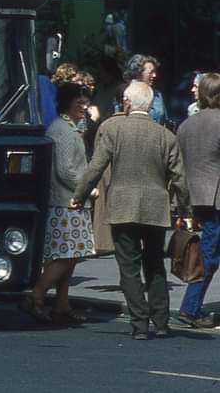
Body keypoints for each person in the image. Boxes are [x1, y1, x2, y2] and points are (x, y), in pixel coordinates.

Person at [70, 80, 190, 340]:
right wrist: (185, 211)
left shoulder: (113, 130)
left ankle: (139, 324)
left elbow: (95, 167)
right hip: (155, 207)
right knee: (155, 265)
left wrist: (79, 196)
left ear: (127, 103)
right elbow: (179, 178)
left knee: (129, 266)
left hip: (123, 205)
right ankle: (161, 322)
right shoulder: (165, 136)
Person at [21, 82, 96, 324]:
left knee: (71, 256)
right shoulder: (62, 130)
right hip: (66, 203)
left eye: (85, 102)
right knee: (65, 255)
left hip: (71, 203)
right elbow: (65, 171)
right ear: (67, 103)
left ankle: (62, 305)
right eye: (79, 102)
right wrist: (87, 188)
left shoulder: (68, 127)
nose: (84, 107)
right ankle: (36, 294)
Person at [174, 71, 220, 328]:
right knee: (209, 253)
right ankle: (190, 308)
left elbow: (177, 164)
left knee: (211, 250)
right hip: (215, 198)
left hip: (195, 196)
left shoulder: (186, 125)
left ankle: (193, 306)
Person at [123, 54, 166, 124]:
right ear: (138, 73)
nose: (154, 75)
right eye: (151, 72)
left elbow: (163, 118)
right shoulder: (125, 92)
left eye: (154, 72)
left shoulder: (157, 95)